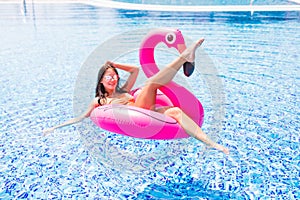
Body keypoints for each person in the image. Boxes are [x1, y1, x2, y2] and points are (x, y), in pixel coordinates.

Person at [43, 38, 229, 154]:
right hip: (139, 113)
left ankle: (211, 143)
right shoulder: (99, 101)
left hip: (151, 111)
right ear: (100, 81)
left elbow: (135, 70)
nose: (113, 78)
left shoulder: (124, 90)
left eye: (114, 75)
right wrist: (55, 127)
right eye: (108, 76)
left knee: (177, 112)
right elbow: (80, 117)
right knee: (151, 84)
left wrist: (114, 64)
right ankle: (185, 57)